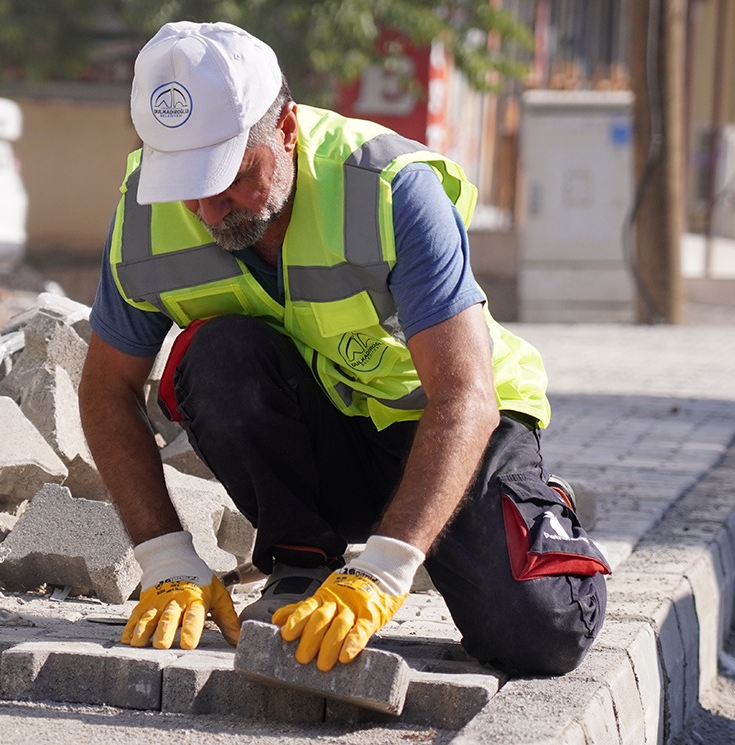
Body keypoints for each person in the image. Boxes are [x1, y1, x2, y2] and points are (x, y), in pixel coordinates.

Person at [78, 20, 610, 676]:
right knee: (216, 355)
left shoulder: (388, 187)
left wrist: (384, 573)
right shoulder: (145, 213)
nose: (213, 211)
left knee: (541, 633)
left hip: (447, 435)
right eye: (190, 185)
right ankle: (302, 562)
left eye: (234, 175)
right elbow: (105, 387)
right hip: (323, 450)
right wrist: (166, 559)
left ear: (288, 128)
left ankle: (518, 503)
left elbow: (466, 396)